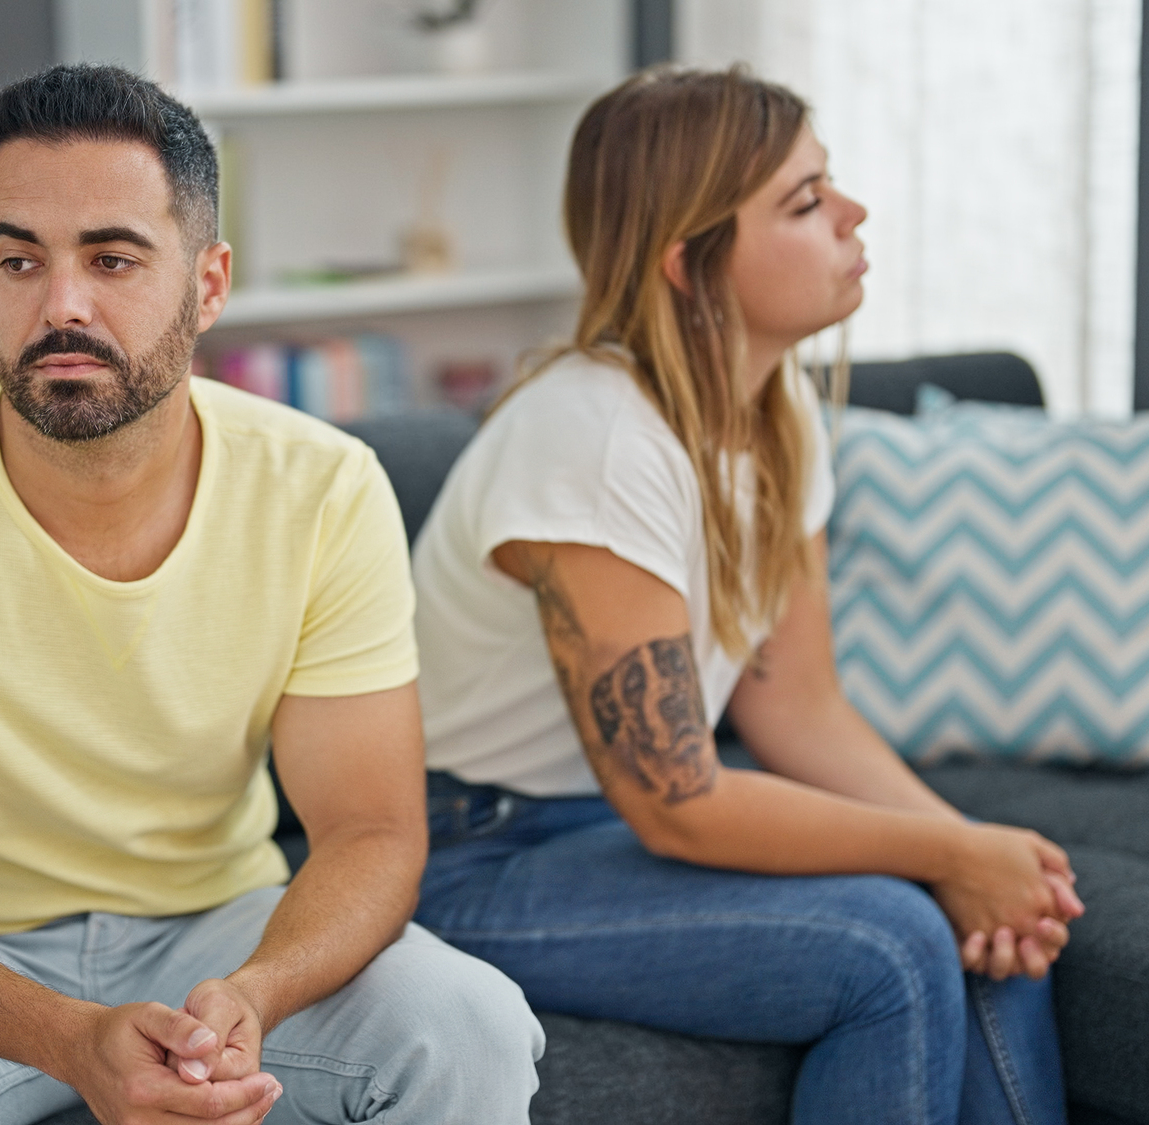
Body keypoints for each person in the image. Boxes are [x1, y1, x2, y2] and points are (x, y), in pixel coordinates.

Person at [0, 64, 542, 1125]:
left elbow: (369, 830)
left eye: (111, 258)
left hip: (223, 932)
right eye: (18, 259)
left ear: (207, 285)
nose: (59, 304)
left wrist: (257, 992)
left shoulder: (323, 485)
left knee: (468, 1025)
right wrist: (68, 1040)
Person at [408, 66, 1083, 1125]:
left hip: (599, 832)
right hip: (467, 855)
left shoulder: (779, 418)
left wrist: (984, 861)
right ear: (690, 264)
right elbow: (677, 802)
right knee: (887, 947)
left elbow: (793, 707)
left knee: (988, 925)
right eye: (805, 203)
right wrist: (947, 854)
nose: (853, 215)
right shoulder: (589, 440)